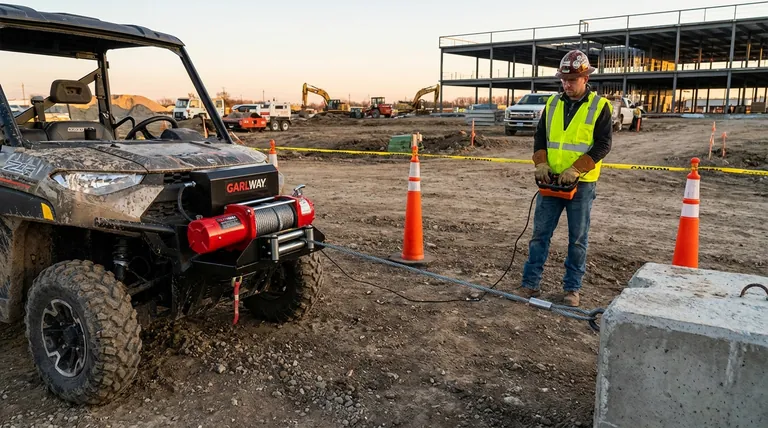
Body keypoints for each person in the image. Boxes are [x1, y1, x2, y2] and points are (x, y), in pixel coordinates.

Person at [517, 49, 613, 307]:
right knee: (540, 234)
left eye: (571, 80)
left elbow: (603, 144)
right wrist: (540, 162)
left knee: (578, 238)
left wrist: (577, 169)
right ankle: (530, 283)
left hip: (580, 184)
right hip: (550, 181)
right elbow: (540, 137)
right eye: (563, 80)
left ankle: (572, 289)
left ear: (585, 78)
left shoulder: (600, 107)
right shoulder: (551, 104)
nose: (566, 84)